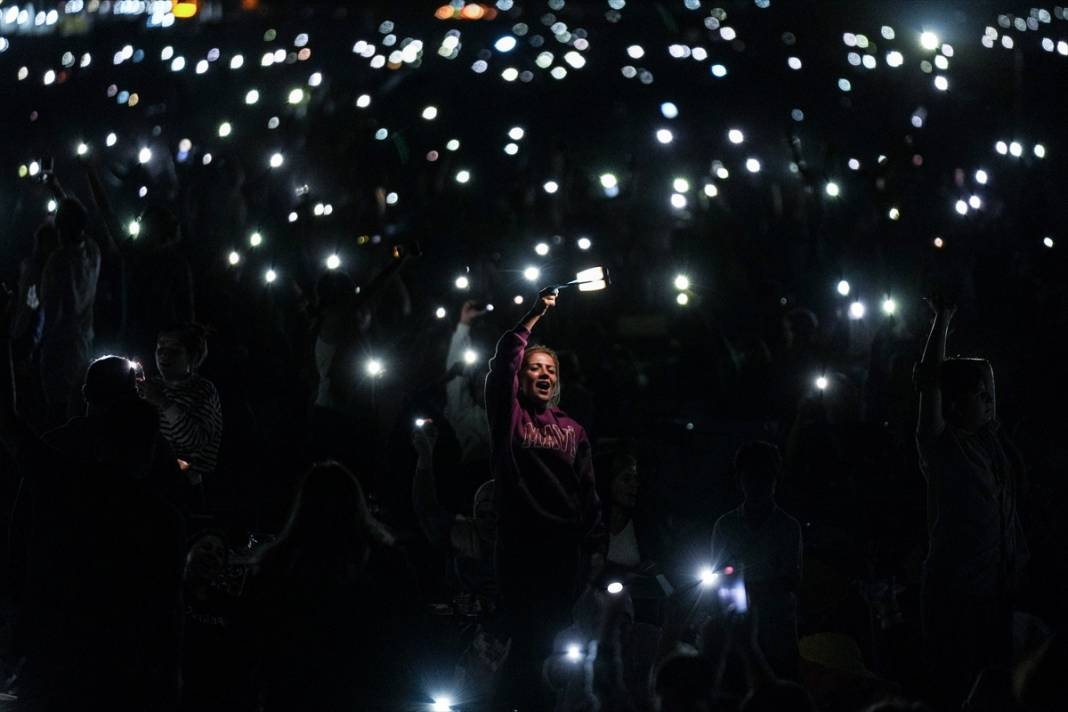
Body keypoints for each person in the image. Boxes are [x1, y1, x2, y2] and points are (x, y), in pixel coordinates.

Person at [0, 289, 185, 710]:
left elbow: (20, 522)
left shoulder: (61, 457)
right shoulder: (158, 485)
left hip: (59, 634)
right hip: (125, 657)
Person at [486, 285, 603, 710]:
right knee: (527, 643)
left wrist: (593, 548)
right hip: (520, 550)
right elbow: (502, 364)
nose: (543, 374)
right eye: (534, 367)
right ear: (521, 377)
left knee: (549, 648)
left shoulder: (573, 429)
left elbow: (588, 493)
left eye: (550, 369)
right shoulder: (510, 418)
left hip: (563, 554)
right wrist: (534, 315)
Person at [914, 297, 1028, 706]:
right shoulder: (944, 447)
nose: (988, 400)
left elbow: (986, 377)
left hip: (996, 590)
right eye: (978, 396)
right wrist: (941, 322)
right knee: (957, 687)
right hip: (956, 593)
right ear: (956, 404)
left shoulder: (988, 441)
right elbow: (930, 383)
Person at [246, 461, 405, 711]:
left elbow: (254, 640)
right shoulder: (385, 562)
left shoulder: (277, 566)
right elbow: (407, 630)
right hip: (365, 694)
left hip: (293, 694)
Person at [710, 442, 802, 681]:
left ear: (774, 479)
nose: (757, 484)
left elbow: (790, 581)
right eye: (751, 476)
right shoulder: (726, 525)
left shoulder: (787, 527)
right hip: (737, 634)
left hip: (776, 635)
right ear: (740, 479)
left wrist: (741, 587)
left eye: (764, 476)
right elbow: (718, 578)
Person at [141, 323, 223, 507]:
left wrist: (163, 402)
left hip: (186, 484)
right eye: (160, 348)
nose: (164, 354)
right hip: (154, 479)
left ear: (192, 358)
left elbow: (195, 439)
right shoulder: (153, 386)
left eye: (175, 350)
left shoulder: (202, 391)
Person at [38, 197, 101, 426]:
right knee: (76, 406)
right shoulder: (93, 252)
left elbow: (52, 309)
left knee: (56, 409)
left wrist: (38, 343)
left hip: (59, 344)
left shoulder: (58, 260)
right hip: (84, 341)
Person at [444, 300, 492, 464]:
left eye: (490, 385)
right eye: (480, 385)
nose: (485, 390)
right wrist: (464, 325)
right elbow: (456, 376)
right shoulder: (466, 415)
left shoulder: (517, 418)